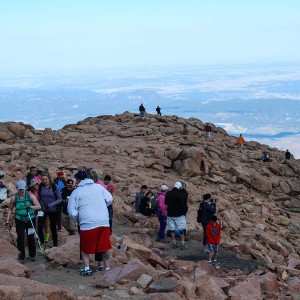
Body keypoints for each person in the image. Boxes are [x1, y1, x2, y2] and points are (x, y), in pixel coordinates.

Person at [68, 170, 113, 276]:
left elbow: (71, 210)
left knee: (85, 247)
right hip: (103, 221)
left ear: (78, 180)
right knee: (104, 246)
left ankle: (87, 268)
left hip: (87, 223)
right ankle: (107, 267)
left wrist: (78, 218)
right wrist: (101, 208)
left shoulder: (77, 191)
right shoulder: (99, 187)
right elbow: (109, 199)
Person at [6, 180, 41, 263]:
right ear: (17, 188)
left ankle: (32, 255)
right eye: (20, 189)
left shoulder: (30, 196)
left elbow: (38, 206)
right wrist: (7, 220)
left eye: (23, 189)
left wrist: (30, 207)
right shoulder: (14, 198)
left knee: (30, 237)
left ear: (25, 188)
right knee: (20, 238)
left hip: (30, 218)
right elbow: (10, 209)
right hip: (19, 219)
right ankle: (21, 256)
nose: (21, 191)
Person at [37, 171, 62, 250]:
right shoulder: (41, 186)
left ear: (49, 179)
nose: (44, 181)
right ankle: (42, 243)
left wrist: (52, 204)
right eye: (43, 179)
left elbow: (59, 199)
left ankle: (55, 245)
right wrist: (37, 205)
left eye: (45, 179)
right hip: (42, 209)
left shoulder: (54, 187)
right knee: (40, 227)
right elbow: (39, 196)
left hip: (52, 210)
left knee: (53, 228)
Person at [165, 181, 188, 250]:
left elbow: (165, 202)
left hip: (170, 214)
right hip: (179, 215)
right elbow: (183, 204)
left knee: (172, 230)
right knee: (181, 230)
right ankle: (182, 244)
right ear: (180, 187)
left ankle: (174, 243)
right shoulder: (180, 195)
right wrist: (184, 212)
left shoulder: (168, 193)